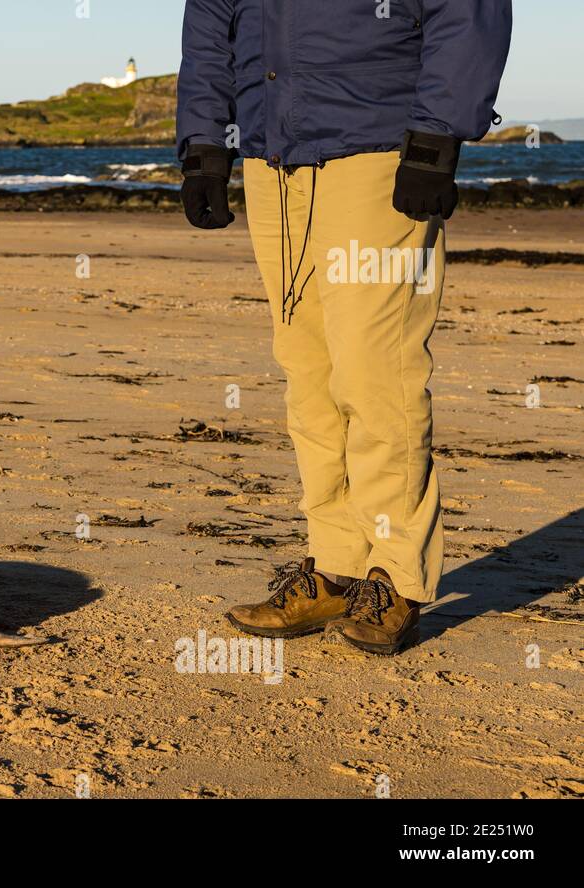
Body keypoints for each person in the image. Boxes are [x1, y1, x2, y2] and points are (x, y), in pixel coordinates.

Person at [175, 0, 512, 654]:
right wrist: (205, 141)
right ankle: (335, 566)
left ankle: (395, 574)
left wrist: (438, 136)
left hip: (378, 148)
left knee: (375, 369)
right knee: (310, 371)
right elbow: (211, 19)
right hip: (273, 158)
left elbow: (465, 10)